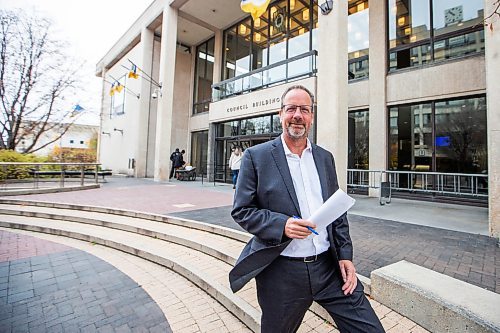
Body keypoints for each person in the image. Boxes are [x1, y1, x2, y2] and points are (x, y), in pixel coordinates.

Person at [229, 85, 385, 333]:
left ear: (311, 116)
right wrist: (282, 225)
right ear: (281, 114)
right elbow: (242, 210)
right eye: (291, 108)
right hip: (282, 272)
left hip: (328, 268)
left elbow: (337, 212)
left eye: (304, 109)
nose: (298, 115)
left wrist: (345, 255)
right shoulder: (256, 157)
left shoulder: (325, 158)